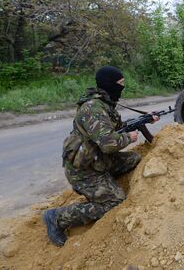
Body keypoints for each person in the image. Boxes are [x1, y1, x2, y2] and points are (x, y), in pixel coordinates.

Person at [42, 66, 158, 246]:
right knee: (115, 202)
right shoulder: (92, 109)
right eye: (121, 84)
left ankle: (105, 186)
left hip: (99, 161)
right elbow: (108, 143)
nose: (123, 87)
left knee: (134, 159)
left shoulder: (106, 104)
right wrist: (129, 137)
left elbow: (114, 130)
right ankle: (57, 218)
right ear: (109, 84)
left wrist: (144, 120)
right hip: (83, 171)